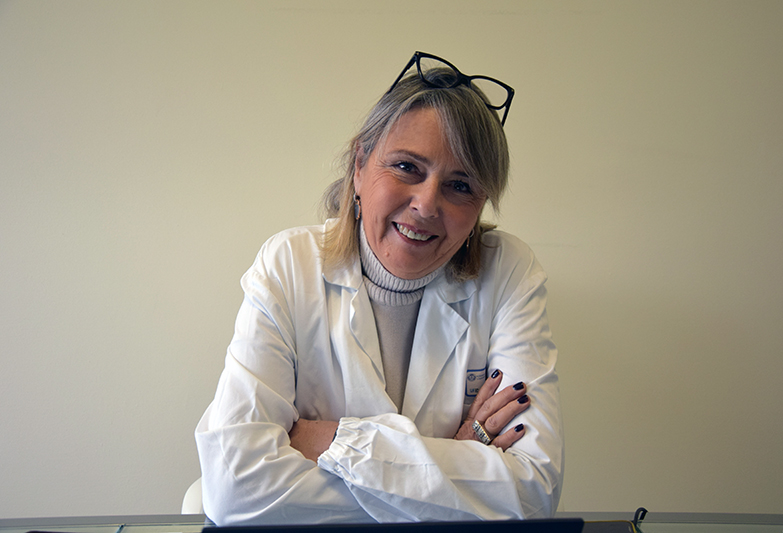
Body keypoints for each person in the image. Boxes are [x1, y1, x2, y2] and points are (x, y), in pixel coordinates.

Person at [195, 51, 563, 525]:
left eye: (460, 185)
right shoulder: (288, 265)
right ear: (359, 165)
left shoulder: (509, 270)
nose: (426, 205)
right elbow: (235, 487)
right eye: (407, 167)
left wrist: (330, 441)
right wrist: (454, 462)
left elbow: (533, 493)